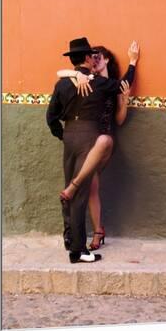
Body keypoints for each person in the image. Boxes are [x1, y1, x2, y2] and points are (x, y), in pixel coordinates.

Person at [46, 37, 137, 263]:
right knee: (79, 192)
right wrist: (133, 63)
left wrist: (62, 136)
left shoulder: (63, 84)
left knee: (71, 188)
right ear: (87, 58)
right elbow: (124, 83)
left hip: (69, 136)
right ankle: (78, 251)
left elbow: (51, 118)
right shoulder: (97, 82)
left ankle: (71, 238)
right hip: (89, 137)